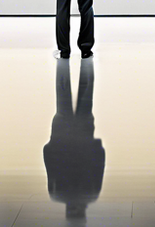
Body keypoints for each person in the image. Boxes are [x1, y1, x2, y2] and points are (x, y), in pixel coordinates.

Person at [43, 58, 104, 221]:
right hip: (61, 134)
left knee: (86, 90)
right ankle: (66, 60)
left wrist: (95, 146)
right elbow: (47, 155)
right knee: (63, 89)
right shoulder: (56, 194)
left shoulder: (91, 194)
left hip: (84, 136)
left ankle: (85, 58)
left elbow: (100, 160)